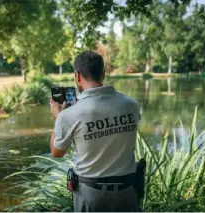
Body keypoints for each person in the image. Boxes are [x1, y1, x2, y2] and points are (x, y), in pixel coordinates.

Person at [49, 51, 141, 212]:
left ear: (77, 76)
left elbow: (57, 152)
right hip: (129, 190)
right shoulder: (131, 105)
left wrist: (59, 118)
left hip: (91, 194)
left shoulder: (69, 115)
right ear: (103, 74)